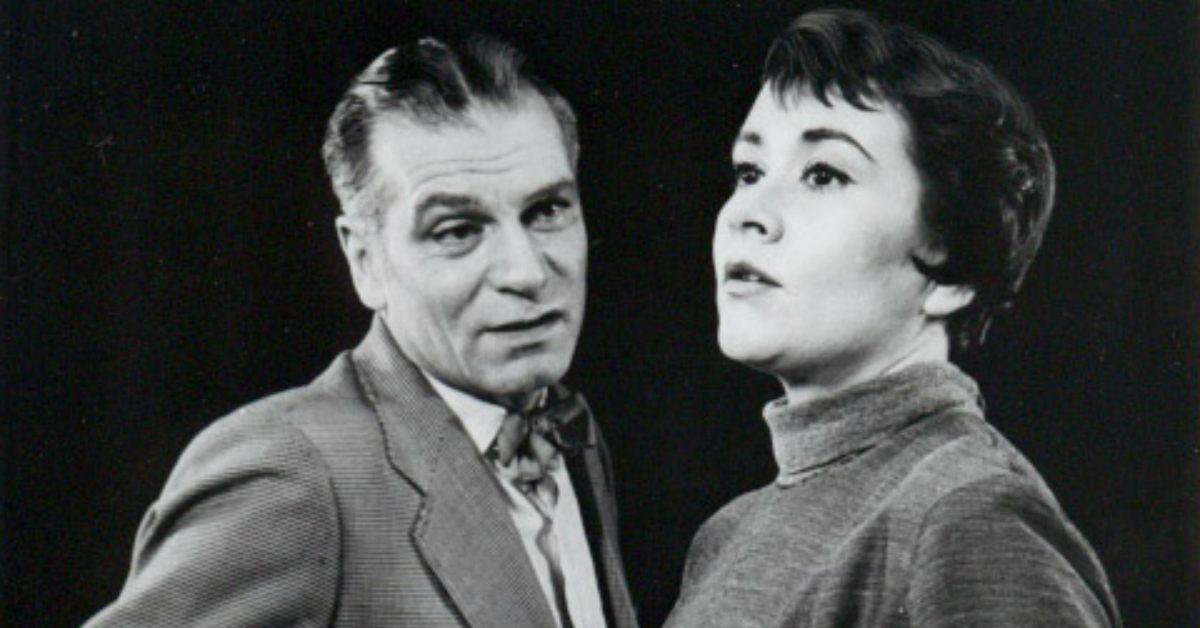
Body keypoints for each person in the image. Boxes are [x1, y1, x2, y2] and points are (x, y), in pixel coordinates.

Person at [86, 36, 637, 628]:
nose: (526, 272)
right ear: (365, 261)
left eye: (547, 211)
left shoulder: (569, 435)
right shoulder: (290, 474)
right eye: (457, 230)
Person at [666, 9, 1120, 628]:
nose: (749, 212)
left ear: (950, 271)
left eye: (823, 174)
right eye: (749, 171)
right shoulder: (726, 535)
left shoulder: (970, 513)